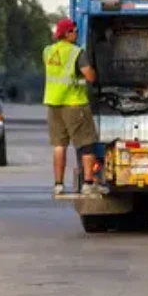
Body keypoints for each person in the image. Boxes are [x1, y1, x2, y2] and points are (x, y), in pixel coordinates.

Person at [43, 18, 102, 195]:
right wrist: (95, 74)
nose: (76, 34)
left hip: (54, 104)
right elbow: (89, 76)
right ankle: (88, 183)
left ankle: (58, 185)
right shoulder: (77, 53)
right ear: (67, 33)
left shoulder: (48, 51)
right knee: (86, 144)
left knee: (59, 145)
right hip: (74, 104)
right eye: (75, 31)